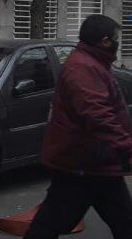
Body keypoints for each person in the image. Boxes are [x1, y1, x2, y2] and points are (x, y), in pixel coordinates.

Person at [23, 15, 132, 239]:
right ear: (103, 41)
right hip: (82, 163)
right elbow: (97, 115)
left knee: (124, 222)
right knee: (50, 223)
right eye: (115, 38)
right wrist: (127, 147)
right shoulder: (82, 68)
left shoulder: (92, 64)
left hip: (94, 162)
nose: (117, 42)